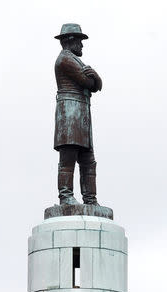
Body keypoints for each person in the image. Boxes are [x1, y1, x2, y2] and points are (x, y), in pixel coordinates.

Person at [54, 23, 103, 205]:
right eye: (80, 41)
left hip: (81, 114)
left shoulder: (74, 59)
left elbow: (95, 86)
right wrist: (96, 78)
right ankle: (66, 197)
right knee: (68, 157)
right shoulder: (65, 60)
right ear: (70, 40)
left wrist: (96, 79)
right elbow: (88, 82)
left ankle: (90, 199)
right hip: (69, 114)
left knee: (88, 159)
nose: (82, 45)